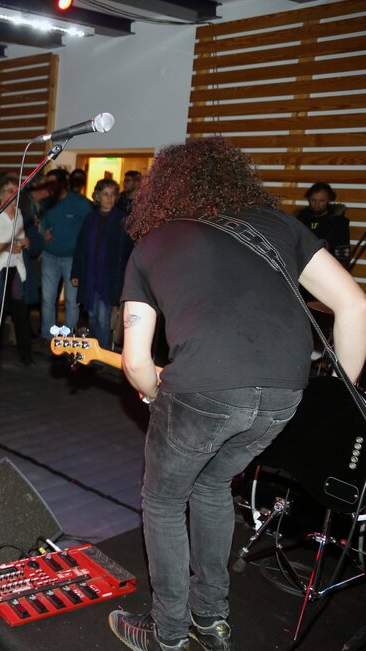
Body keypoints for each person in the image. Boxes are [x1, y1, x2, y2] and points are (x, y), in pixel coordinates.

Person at [109, 137, 366, 651]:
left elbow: (137, 361)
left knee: (163, 501)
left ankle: (169, 632)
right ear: (233, 178)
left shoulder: (155, 243)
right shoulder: (280, 227)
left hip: (203, 387)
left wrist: (152, 392)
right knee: (212, 487)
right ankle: (213, 620)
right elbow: (355, 305)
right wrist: (339, 391)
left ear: (163, 190)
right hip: (284, 392)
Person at [0, 176, 41, 365]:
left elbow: (21, 241)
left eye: (16, 190)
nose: (14, 194)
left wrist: (26, 242)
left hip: (15, 269)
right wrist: (6, 246)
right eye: (10, 190)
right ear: (0, 195)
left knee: (21, 312)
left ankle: (25, 354)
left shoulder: (20, 215)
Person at [71, 178, 130, 350]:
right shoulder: (90, 218)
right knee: (92, 316)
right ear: (97, 196)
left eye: (112, 195)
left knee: (104, 319)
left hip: (109, 277)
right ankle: (96, 351)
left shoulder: (122, 219)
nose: (109, 198)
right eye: (105, 194)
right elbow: (80, 248)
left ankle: (102, 356)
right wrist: (75, 273)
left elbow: (127, 251)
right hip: (90, 275)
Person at [40, 168, 93, 339]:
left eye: (54, 182)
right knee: (48, 299)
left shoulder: (80, 203)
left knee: (71, 301)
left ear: (64, 183)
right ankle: (48, 336)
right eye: (48, 182)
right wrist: (43, 233)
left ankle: (69, 336)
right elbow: (40, 226)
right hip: (50, 256)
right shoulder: (46, 203)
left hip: (72, 259)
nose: (50, 186)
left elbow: (92, 227)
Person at [295, 182, 351, 267]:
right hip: (302, 266)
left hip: (328, 267)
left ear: (329, 200)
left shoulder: (338, 222)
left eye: (322, 201)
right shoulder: (300, 219)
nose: (317, 205)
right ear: (308, 199)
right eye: (313, 200)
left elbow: (343, 253)